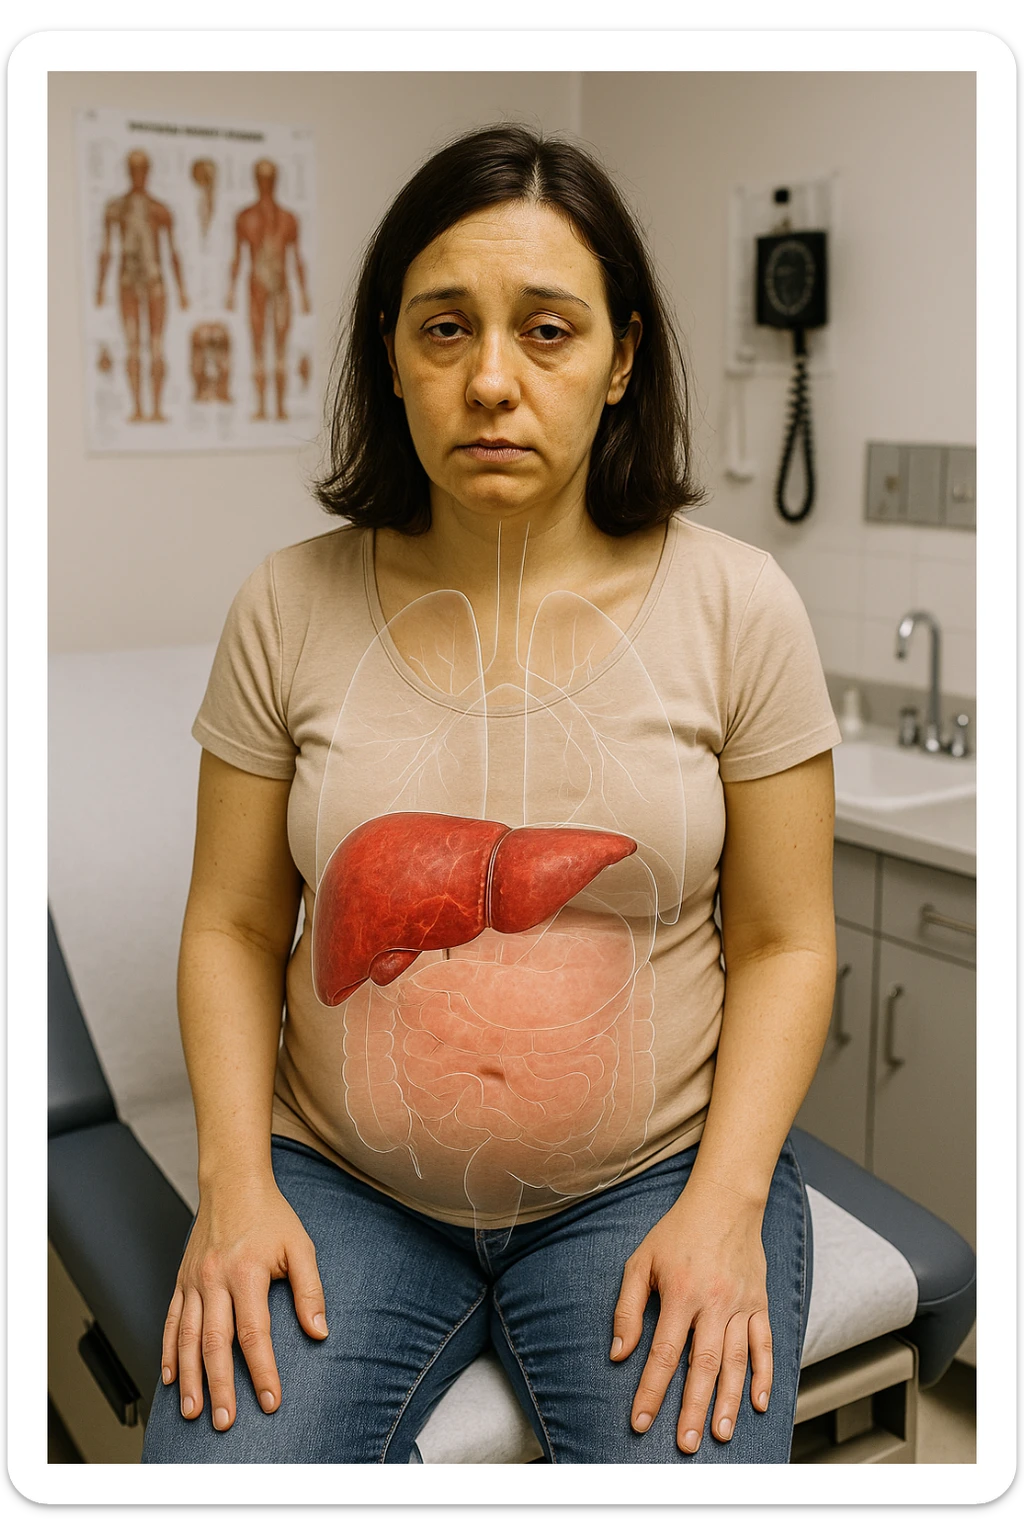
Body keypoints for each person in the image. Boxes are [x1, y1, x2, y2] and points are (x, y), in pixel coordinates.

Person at [142, 124, 840, 1466]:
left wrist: (727, 1203)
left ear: (623, 358)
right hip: (341, 1184)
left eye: (549, 331)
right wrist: (235, 1179)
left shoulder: (739, 607)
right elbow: (231, 925)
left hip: (643, 1186)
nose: (494, 382)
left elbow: (786, 940)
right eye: (446, 329)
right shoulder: (287, 604)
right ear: (390, 356)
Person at [95, 148, 189, 423]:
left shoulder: (160, 210)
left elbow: (173, 253)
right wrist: (99, 288)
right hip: (127, 280)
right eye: (133, 169)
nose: (138, 175)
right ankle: (137, 407)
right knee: (134, 345)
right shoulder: (116, 209)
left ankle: (156, 408)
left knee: (156, 345)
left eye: (142, 169)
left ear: (147, 172)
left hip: (155, 281)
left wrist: (182, 290)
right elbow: (106, 251)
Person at [226, 159, 311, 422]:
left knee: (281, 349)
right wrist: (230, 291)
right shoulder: (245, 217)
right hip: (256, 286)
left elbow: (297, 258)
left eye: (270, 178)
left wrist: (304, 294)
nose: (266, 183)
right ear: (256, 180)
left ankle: (280, 407)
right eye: (262, 178)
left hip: (280, 287)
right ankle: (262, 406)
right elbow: (237, 257)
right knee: (258, 346)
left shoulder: (288, 218)